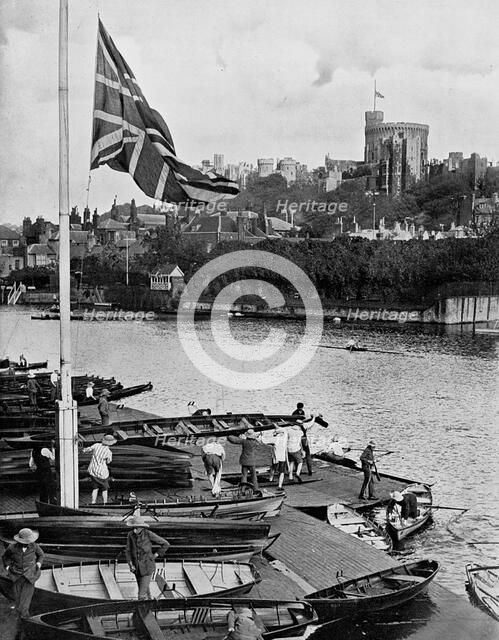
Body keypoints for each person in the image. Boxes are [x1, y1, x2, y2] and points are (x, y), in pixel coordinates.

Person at [1, 527, 44, 618]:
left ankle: (24, 619)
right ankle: (20, 614)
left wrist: (39, 563)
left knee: (25, 600)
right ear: (20, 541)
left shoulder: (34, 546)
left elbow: (41, 555)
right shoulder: (12, 548)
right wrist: (8, 567)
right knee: (17, 597)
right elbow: (5, 558)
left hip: (30, 575)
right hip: (16, 575)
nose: (28, 543)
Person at [125, 515, 170, 600]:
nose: (135, 529)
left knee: (141, 595)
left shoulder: (148, 534)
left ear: (141, 527)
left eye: (136, 527)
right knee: (146, 593)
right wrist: (131, 565)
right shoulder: (130, 535)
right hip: (136, 569)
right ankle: (149, 611)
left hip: (147, 567)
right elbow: (128, 551)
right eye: (133, 527)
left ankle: (142, 611)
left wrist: (155, 555)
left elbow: (165, 544)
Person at [82, 434, 117, 504]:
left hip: (93, 470)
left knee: (95, 488)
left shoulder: (96, 445)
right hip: (102, 472)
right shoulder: (109, 452)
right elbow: (108, 461)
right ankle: (105, 503)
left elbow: (87, 449)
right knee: (104, 488)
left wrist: (84, 450)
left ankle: (93, 502)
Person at [266, 426, 288, 492]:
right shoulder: (285, 437)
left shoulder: (275, 439)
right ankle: (280, 485)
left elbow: (265, 441)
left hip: (276, 457)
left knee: (273, 467)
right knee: (282, 472)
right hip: (282, 457)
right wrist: (276, 426)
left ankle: (271, 478)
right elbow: (285, 430)